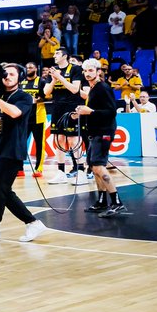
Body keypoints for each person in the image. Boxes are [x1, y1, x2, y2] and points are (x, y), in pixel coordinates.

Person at [0, 64, 47, 244]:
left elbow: (14, 113)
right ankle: (33, 222)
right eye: (5, 74)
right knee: (3, 191)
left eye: (12, 74)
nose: (7, 76)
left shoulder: (24, 97)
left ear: (19, 77)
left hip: (13, 150)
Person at [75, 58, 127, 218]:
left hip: (104, 131)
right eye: (85, 71)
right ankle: (102, 200)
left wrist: (89, 112)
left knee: (98, 166)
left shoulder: (103, 88)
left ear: (98, 72)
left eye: (91, 70)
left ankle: (117, 202)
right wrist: (80, 114)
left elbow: (112, 111)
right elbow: (94, 110)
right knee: (93, 165)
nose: (87, 73)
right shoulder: (93, 89)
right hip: (95, 131)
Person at [43, 48, 87, 186]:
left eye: (57, 53)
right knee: (59, 140)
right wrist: (54, 80)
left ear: (65, 56)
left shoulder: (75, 69)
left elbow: (75, 89)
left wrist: (60, 77)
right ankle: (61, 172)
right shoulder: (53, 70)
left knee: (73, 140)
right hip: (57, 107)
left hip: (72, 108)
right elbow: (46, 92)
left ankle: (81, 172)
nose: (54, 55)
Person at [19, 62, 46, 177]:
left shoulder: (42, 81)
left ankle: (38, 169)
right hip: (23, 118)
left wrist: (37, 100)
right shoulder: (22, 82)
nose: (28, 69)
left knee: (39, 144)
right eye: (27, 67)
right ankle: (19, 169)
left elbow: (48, 96)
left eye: (30, 67)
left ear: (36, 68)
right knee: (20, 143)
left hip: (38, 117)